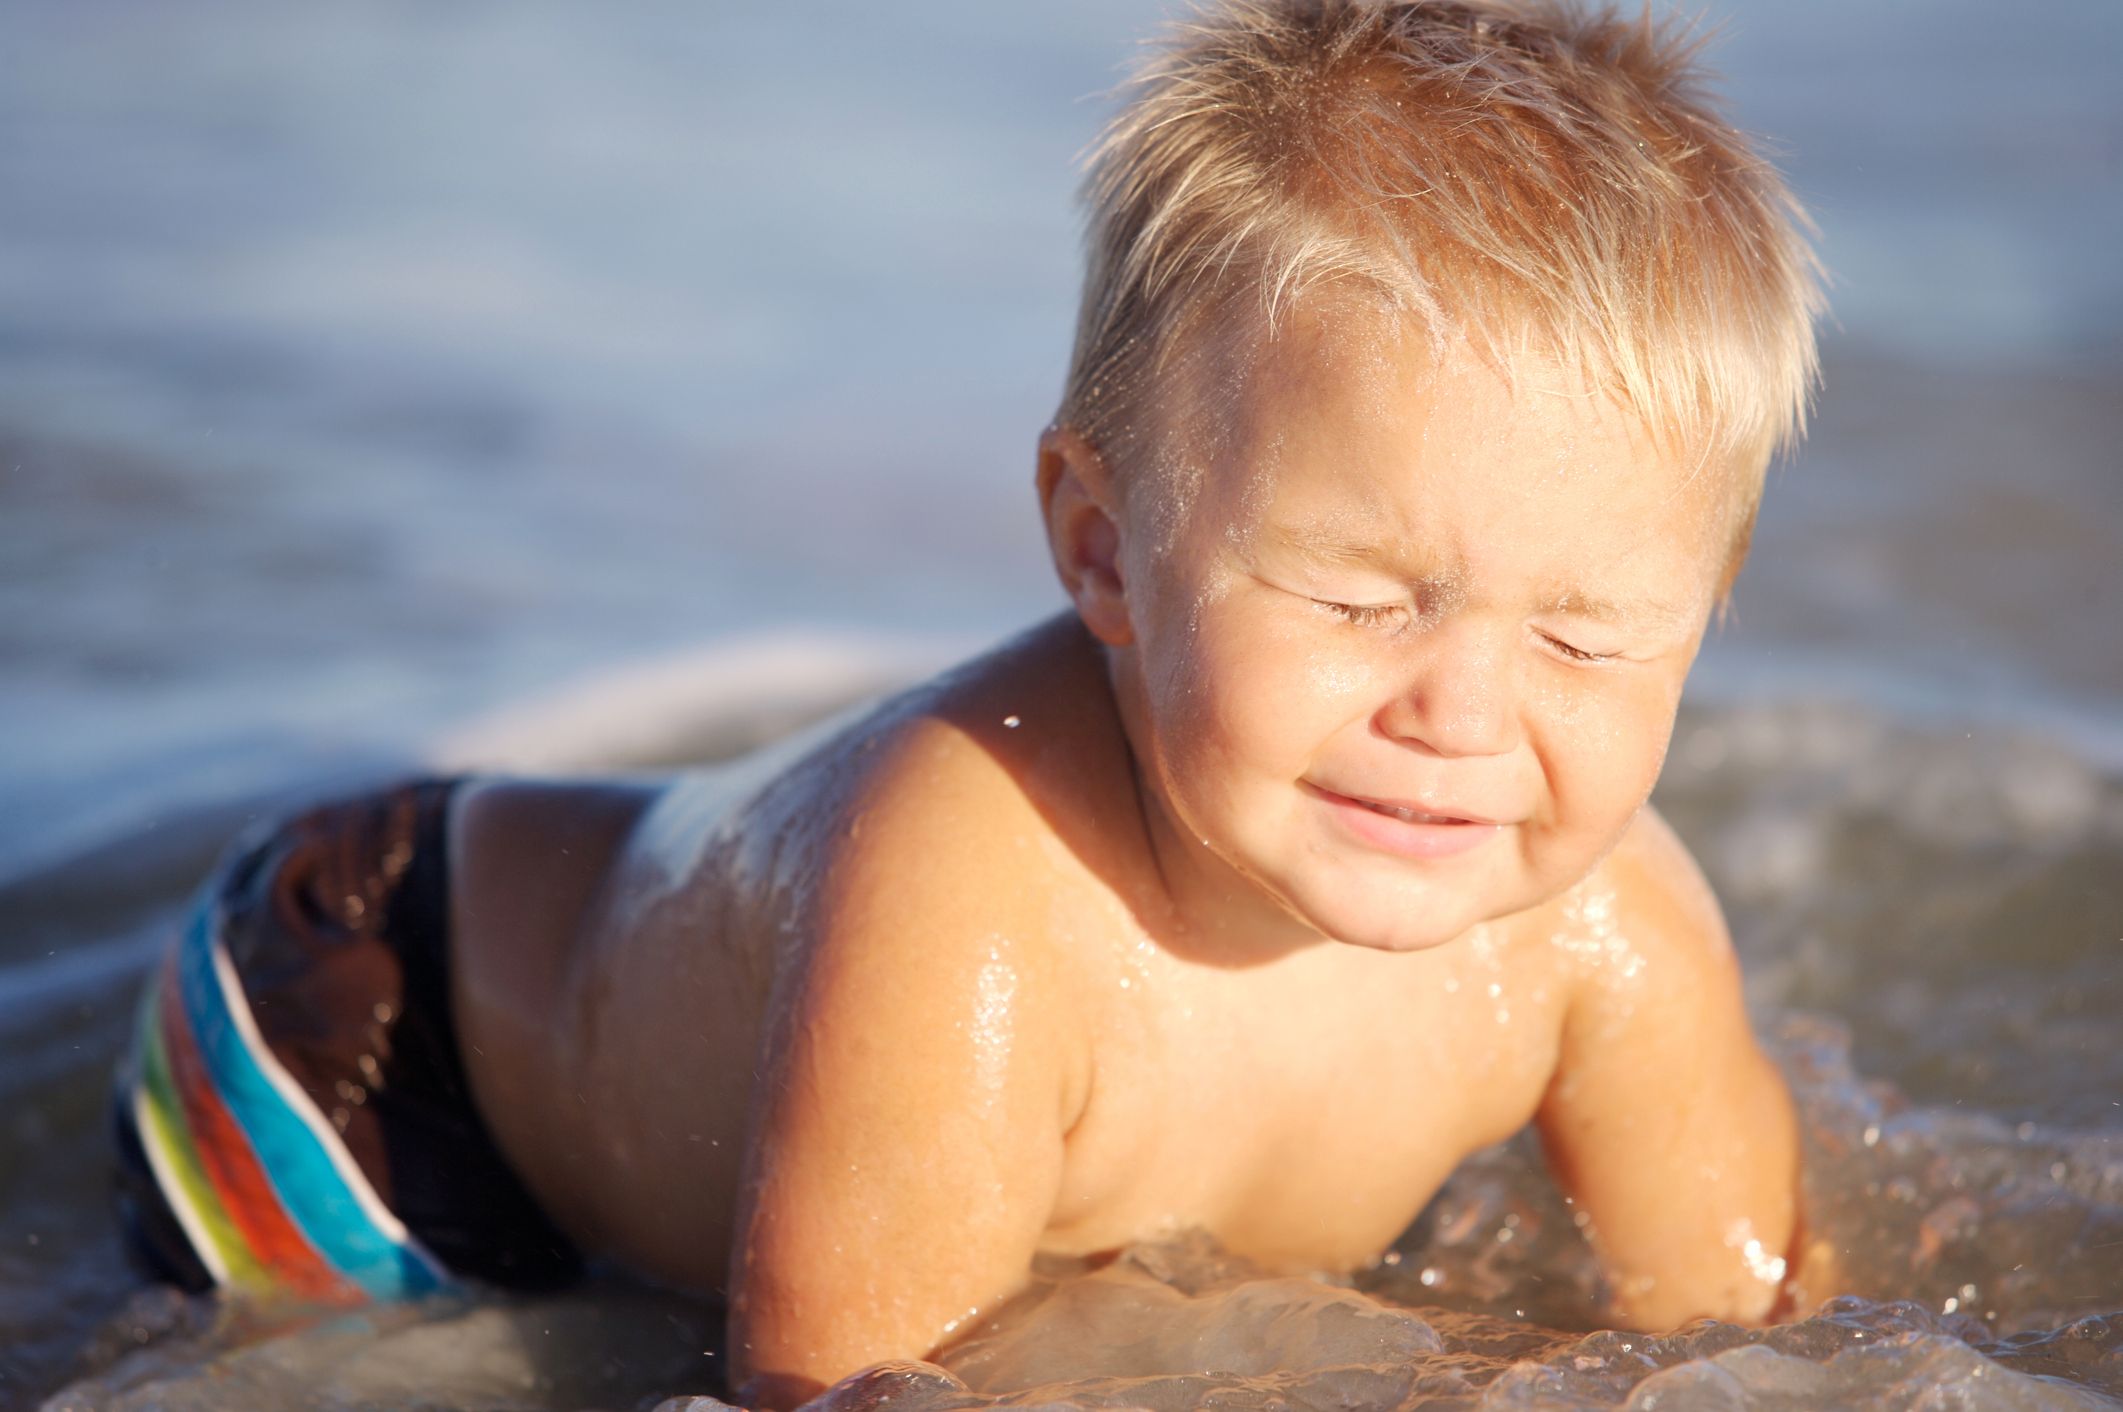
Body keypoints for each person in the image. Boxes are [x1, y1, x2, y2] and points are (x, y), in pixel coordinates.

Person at [112, 1, 1827, 1405]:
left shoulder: (1613, 937)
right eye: (1361, 598)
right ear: (1104, 548)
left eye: (1590, 641)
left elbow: (1766, 1342)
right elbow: (841, 1387)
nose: (1464, 712)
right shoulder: (974, 896)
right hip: (380, 1054)